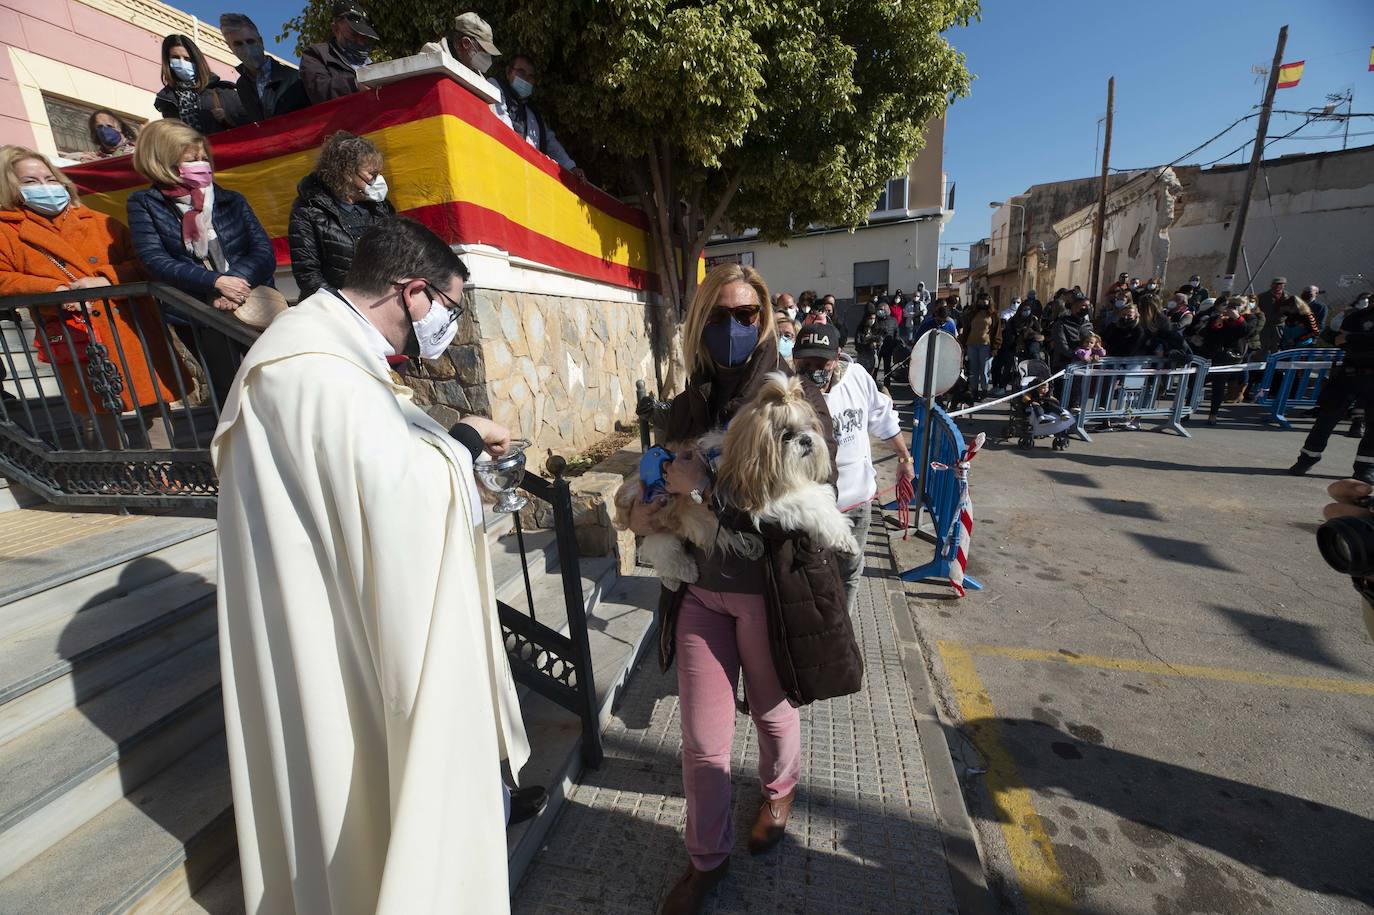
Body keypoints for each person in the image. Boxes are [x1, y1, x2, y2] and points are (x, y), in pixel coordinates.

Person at [213, 217, 531, 913]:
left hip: (337, 605)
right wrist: (467, 443)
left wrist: (449, 458)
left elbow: (372, 481)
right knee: (360, 803)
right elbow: (400, 507)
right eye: (449, 307)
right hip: (331, 635)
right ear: (411, 292)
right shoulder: (313, 372)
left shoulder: (330, 356)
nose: (449, 324)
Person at [630, 263, 840, 914]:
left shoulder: (793, 397)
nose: (732, 328)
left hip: (771, 591)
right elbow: (664, 481)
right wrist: (642, 510)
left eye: (745, 315)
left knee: (774, 710)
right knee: (701, 738)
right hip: (702, 590)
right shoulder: (688, 404)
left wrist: (709, 487)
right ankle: (706, 860)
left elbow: (807, 500)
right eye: (718, 316)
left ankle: (778, 791)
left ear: (764, 320)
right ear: (700, 324)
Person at [0, 145, 182, 449]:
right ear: (12, 187)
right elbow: (4, 278)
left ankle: (166, 473)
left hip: (128, 324)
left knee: (153, 400)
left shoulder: (99, 221)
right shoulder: (7, 232)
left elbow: (145, 264)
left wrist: (103, 279)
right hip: (73, 330)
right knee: (95, 406)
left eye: (49, 178)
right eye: (30, 182)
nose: (45, 187)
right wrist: (53, 291)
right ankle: (115, 478)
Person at [127, 119, 275, 404]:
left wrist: (236, 286)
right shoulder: (144, 204)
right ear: (163, 161)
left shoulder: (231, 199)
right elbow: (155, 260)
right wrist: (215, 283)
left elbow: (261, 250)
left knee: (275, 382)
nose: (201, 163)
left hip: (253, 302)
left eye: (203, 157)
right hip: (200, 313)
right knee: (232, 392)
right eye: (191, 159)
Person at [792, 323, 912, 613]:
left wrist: (904, 458)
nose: (812, 369)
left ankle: (841, 628)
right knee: (808, 577)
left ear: (836, 357)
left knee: (848, 575)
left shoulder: (858, 378)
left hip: (856, 504)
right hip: (812, 507)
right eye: (805, 362)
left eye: (821, 362)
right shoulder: (790, 391)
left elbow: (882, 419)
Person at [288, 131, 396, 299]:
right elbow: (308, 276)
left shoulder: (380, 206)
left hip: (382, 301)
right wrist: (349, 306)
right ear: (347, 174)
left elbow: (400, 253)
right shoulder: (308, 209)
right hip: (336, 310)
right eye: (372, 174)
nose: (378, 180)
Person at [1290, 294, 1374, 484]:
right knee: (1326, 419)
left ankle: (1365, 468)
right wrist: (1347, 338)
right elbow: (1329, 335)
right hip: (1348, 374)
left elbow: (1347, 339)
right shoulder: (1357, 316)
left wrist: (1350, 338)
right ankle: (1307, 458)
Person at [488, 53, 584, 179]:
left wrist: (571, 167)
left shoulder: (533, 113)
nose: (525, 80)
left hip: (527, 178)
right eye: (521, 73)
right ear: (508, 72)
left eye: (530, 77)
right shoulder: (495, 86)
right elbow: (502, 124)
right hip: (501, 168)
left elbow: (550, 142)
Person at [219, 13, 309, 122]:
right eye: (238, 44)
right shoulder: (242, 85)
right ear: (230, 47)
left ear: (261, 41)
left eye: (250, 41)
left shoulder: (294, 77)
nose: (247, 49)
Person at [154, 34, 243, 135]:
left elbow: (251, 124)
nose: (182, 63)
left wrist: (227, 118)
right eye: (175, 57)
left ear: (197, 62)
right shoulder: (167, 100)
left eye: (187, 59)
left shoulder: (224, 92)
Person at [300, 0, 380, 104]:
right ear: (335, 29)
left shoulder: (374, 66)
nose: (360, 42)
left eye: (364, 37)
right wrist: (354, 85)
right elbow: (319, 90)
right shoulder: (316, 54)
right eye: (354, 35)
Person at [1192, 296, 1250, 425]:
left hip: (1227, 358)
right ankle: (1186, 410)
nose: (1231, 309)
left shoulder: (1246, 320)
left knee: (1218, 386)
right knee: (1195, 383)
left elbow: (1246, 331)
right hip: (1210, 355)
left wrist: (1237, 318)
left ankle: (1213, 414)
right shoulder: (1218, 318)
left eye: (1235, 307)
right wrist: (1217, 323)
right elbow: (1206, 333)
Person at [959, 291, 1002, 399]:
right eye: (981, 299)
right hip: (972, 344)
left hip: (985, 345)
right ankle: (973, 390)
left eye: (985, 299)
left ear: (989, 301)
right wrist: (963, 344)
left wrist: (995, 348)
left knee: (985, 370)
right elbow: (966, 329)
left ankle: (984, 390)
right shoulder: (972, 313)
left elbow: (997, 332)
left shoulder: (994, 315)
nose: (983, 301)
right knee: (973, 369)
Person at [1048, 295, 1093, 371]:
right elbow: (1062, 346)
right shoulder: (1061, 324)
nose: (1086, 308)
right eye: (1084, 305)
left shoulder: (1088, 325)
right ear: (1074, 307)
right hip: (1064, 364)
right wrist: (1078, 356)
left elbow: (1091, 343)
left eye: (1088, 306)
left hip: (1084, 365)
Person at [72, 109, 136, 161]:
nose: (104, 130)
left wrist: (101, 164)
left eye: (109, 126)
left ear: (119, 128)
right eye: (99, 127)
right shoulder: (95, 156)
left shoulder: (136, 152)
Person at [1257, 276, 1298, 354]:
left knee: (1278, 345)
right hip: (1266, 325)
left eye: (1280, 284)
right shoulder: (1262, 297)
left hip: (1280, 325)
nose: (1277, 286)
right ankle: (1263, 362)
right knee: (1264, 345)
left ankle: (1276, 362)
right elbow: (1257, 310)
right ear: (1271, 285)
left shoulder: (1288, 297)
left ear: (1284, 285)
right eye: (1275, 284)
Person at [853, 309, 881, 376]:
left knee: (871, 374)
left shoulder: (876, 328)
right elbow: (858, 342)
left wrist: (876, 344)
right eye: (870, 318)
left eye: (874, 318)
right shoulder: (861, 329)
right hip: (863, 355)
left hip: (872, 354)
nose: (872, 320)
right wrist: (868, 344)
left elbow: (880, 339)